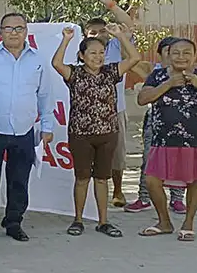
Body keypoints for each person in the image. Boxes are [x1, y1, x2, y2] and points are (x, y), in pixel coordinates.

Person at [0, 12, 54, 243]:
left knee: (19, 179)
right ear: (0, 32)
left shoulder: (37, 60)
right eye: (9, 28)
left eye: (19, 28)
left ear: (26, 31)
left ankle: (14, 221)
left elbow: (45, 95)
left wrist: (47, 126)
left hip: (24, 130)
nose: (14, 33)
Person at [51, 23, 141, 238]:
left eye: (101, 53)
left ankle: (103, 221)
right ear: (82, 56)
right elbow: (56, 63)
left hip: (107, 133)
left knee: (102, 178)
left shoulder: (111, 71)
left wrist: (120, 35)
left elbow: (134, 58)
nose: (98, 57)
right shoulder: (74, 73)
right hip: (81, 134)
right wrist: (66, 39)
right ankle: (78, 219)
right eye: (92, 53)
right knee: (82, 178)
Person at [126, 24, 197, 213]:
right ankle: (155, 211)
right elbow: (142, 98)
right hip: (161, 137)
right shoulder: (156, 74)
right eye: (174, 52)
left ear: (194, 56)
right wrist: (168, 84)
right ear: (166, 55)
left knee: (192, 179)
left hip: (195, 140)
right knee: (152, 175)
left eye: (186, 53)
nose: (181, 57)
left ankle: (183, 212)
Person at [83, 0, 137, 206]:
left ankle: (118, 191)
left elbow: (128, 25)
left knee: (117, 153)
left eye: (102, 31)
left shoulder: (115, 48)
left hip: (116, 110)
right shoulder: (79, 52)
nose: (98, 35)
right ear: (86, 34)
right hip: (86, 114)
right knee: (87, 156)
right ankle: (87, 196)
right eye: (93, 32)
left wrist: (111, 5)